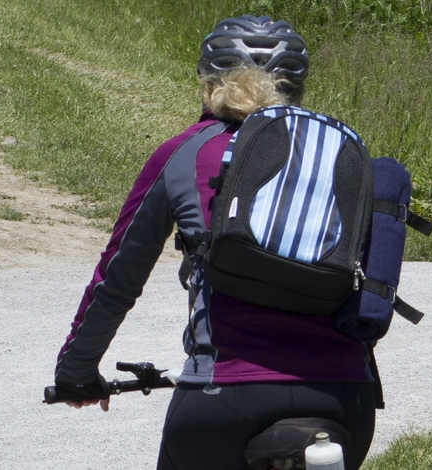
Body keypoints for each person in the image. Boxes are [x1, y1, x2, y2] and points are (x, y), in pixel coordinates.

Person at [52, 16, 378, 470]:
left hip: (223, 397)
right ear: (296, 88)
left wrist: (76, 373)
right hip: (345, 401)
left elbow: (118, 277)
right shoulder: (339, 156)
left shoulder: (185, 152)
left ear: (208, 82)